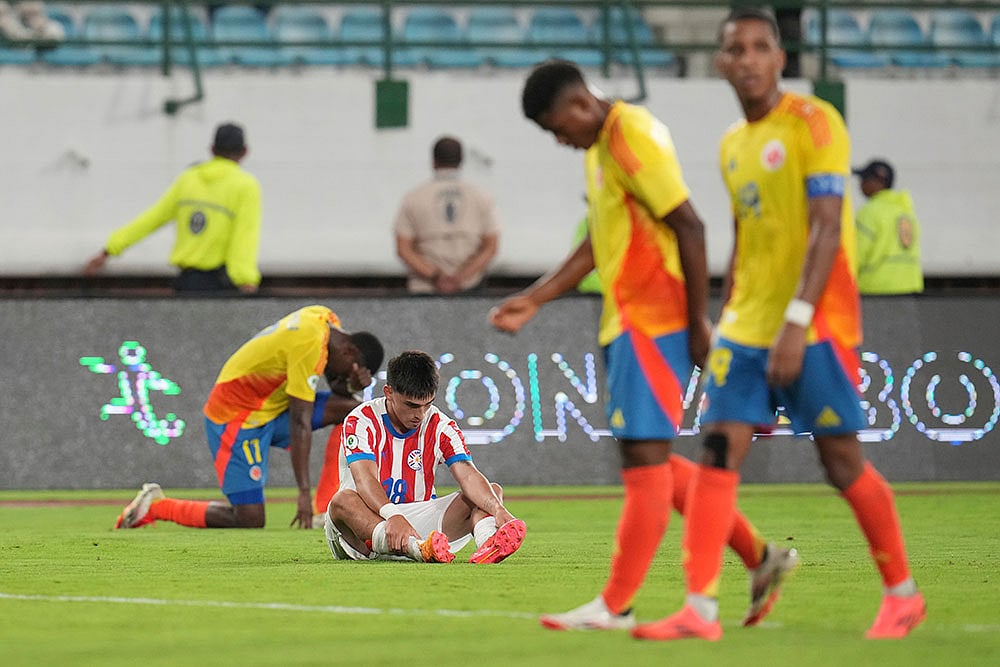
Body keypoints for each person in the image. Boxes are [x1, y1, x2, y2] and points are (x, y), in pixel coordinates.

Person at [630, 8, 925, 643]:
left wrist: (796, 320)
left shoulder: (816, 123)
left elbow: (824, 225)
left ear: (779, 58)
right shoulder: (732, 144)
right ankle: (699, 609)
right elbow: (745, 239)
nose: (748, 58)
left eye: (761, 46)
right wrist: (721, 319)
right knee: (716, 451)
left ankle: (902, 593)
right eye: (735, 48)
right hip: (745, 328)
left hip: (815, 323)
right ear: (721, 61)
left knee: (840, 462)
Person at [490, 59, 797, 631]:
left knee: (642, 462)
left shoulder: (632, 134)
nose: (559, 140)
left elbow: (690, 225)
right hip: (625, 322)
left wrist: (699, 324)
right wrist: (537, 297)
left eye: (557, 128)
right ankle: (759, 557)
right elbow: (596, 242)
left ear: (580, 106)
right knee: (643, 456)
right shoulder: (598, 151)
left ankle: (617, 604)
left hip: (656, 323)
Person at [114, 305, 384, 530]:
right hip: (235, 416)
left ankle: (323, 509)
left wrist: (351, 386)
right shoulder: (309, 343)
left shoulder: (325, 320)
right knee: (250, 519)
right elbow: (300, 421)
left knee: (353, 410)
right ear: (348, 352)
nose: (343, 378)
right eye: (350, 372)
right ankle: (158, 506)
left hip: (270, 409)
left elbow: (333, 382)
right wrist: (302, 492)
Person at [324, 350, 526, 564]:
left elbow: (468, 475)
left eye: (427, 404)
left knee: (491, 492)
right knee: (342, 501)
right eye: (411, 405)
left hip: (420, 526)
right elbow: (365, 480)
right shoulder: (361, 420)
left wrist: (498, 510)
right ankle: (417, 549)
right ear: (388, 392)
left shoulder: (441, 425)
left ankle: (487, 543)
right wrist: (393, 516)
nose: (419, 415)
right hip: (362, 530)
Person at [84, 122, 262, 294]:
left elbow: (151, 219)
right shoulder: (246, 186)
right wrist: (245, 279)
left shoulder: (189, 179)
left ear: (212, 149)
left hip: (186, 283)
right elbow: (244, 237)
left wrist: (108, 250)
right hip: (223, 285)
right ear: (244, 152)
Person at [394, 136, 500, 294]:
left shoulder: (413, 198)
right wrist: (460, 278)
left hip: (424, 289)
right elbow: (491, 246)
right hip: (470, 289)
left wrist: (436, 277)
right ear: (461, 161)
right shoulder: (481, 197)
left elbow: (403, 248)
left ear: (433, 161)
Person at [852, 159, 924, 295]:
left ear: (877, 182)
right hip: (910, 290)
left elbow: (856, 255)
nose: (861, 184)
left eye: (864, 179)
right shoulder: (906, 212)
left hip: (876, 292)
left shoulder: (870, 212)